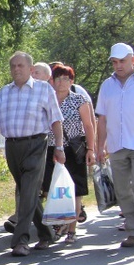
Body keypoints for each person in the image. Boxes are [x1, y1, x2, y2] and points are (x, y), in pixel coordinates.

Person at [0, 52, 64, 256]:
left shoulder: (43, 89)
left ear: (30, 68)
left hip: (36, 143)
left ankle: (20, 240)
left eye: (20, 65)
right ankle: (46, 233)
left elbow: (55, 119)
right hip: (12, 146)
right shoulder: (4, 92)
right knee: (26, 190)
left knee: (28, 191)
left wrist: (60, 147)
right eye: (13, 66)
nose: (16, 69)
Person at [96, 43, 134, 247]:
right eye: (114, 62)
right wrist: (99, 146)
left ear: (132, 59)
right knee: (122, 190)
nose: (118, 65)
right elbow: (101, 119)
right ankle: (133, 231)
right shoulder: (107, 85)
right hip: (116, 144)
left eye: (122, 61)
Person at [40, 64, 95, 243]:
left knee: (75, 190)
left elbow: (88, 126)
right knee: (50, 188)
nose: (61, 82)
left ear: (71, 81)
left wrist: (91, 149)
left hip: (74, 148)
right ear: (52, 81)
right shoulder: (47, 100)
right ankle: (57, 226)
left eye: (66, 79)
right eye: (58, 78)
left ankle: (71, 229)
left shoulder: (79, 100)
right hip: (51, 148)